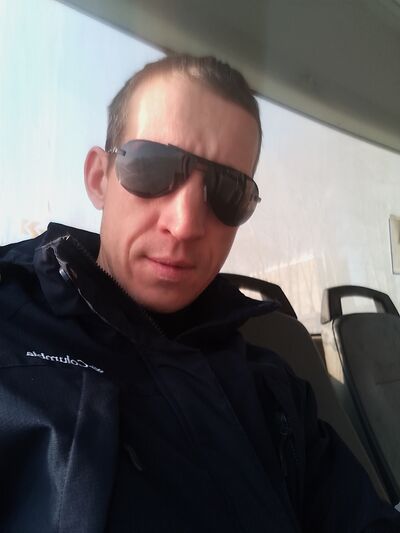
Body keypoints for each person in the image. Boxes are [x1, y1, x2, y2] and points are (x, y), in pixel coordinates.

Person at [0, 54, 399, 533]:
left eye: (228, 191)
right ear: (99, 178)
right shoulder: (10, 323)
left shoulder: (273, 385)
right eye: (152, 168)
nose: (186, 224)